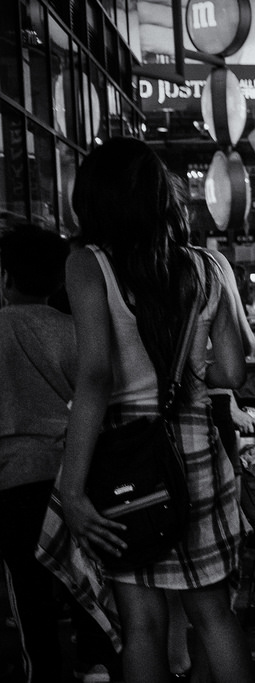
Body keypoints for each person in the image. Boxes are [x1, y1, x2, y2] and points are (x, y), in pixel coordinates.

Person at [47, 137, 255, 683]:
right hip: (197, 449)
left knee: (141, 623)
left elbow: (95, 377)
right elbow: (233, 371)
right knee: (213, 614)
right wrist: (188, 372)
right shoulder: (210, 266)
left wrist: (71, 488)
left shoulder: (87, 265)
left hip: (126, 457)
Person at [0, 223, 117, 682]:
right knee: (82, 576)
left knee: (26, 590)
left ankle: (43, 672)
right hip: (73, 473)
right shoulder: (74, 331)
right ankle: (96, 664)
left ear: (6, 276)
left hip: (11, 478)